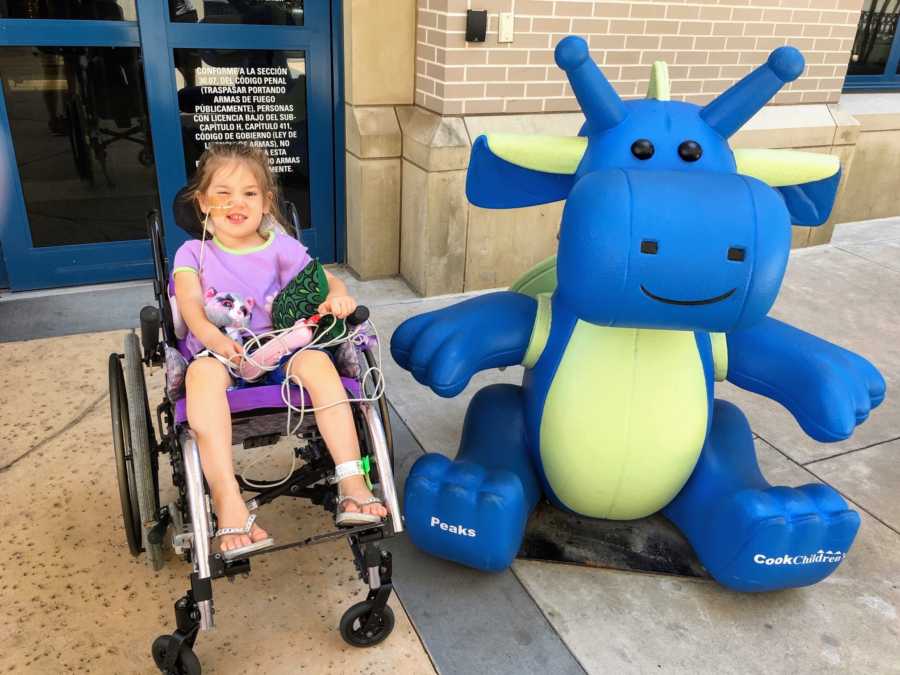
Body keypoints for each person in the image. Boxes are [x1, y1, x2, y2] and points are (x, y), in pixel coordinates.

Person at [173, 143, 387, 557]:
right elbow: (193, 313)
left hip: (281, 346)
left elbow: (325, 282)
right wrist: (227, 350)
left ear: (266, 201)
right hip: (224, 352)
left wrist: (338, 298)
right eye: (223, 193)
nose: (237, 202)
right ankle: (227, 500)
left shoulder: (279, 247)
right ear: (202, 202)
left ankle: (351, 480)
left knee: (320, 366)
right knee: (200, 376)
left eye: (250, 193)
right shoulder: (194, 253)